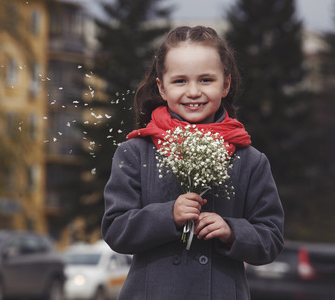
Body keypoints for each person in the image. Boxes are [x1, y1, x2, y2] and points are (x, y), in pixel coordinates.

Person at [101, 26, 284, 299]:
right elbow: (116, 229)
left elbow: (271, 238)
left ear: (226, 84)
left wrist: (233, 231)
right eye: (180, 81)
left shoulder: (250, 160)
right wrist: (169, 215)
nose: (194, 91)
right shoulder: (135, 152)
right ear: (161, 88)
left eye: (206, 80)